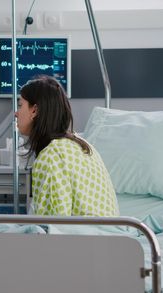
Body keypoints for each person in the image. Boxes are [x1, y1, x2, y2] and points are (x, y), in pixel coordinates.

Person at [16, 76, 119, 216]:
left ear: (35, 111)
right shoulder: (81, 144)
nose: (16, 113)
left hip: (87, 236)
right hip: (108, 233)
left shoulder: (51, 156)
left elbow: (52, 225)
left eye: (20, 105)